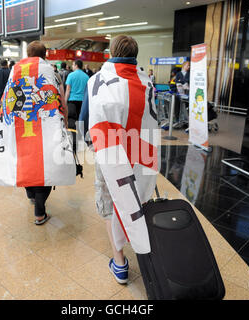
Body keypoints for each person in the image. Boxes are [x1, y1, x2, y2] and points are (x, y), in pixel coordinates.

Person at [80, 35, 159, 284]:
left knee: (112, 199)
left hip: (111, 152)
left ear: (111, 51)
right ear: (135, 54)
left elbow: (85, 121)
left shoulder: (97, 81)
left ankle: (120, 263)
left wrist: (91, 144)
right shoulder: (148, 83)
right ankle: (143, 250)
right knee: (137, 197)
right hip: (142, 152)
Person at [0, 40, 69, 225]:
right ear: (45, 55)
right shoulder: (53, 73)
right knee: (45, 165)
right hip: (46, 127)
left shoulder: (15, 72)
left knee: (27, 161)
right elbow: (61, 100)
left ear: (28, 55)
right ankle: (39, 211)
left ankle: (30, 194)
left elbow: (7, 100)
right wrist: (65, 121)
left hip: (21, 126)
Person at [65, 59, 89, 125]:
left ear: (76, 65)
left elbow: (68, 90)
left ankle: (73, 134)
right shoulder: (86, 76)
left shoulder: (71, 75)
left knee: (72, 119)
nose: (72, 66)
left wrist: (65, 101)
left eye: (73, 65)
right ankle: (80, 134)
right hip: (83, 101)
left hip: (72, 100)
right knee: (80, 120)